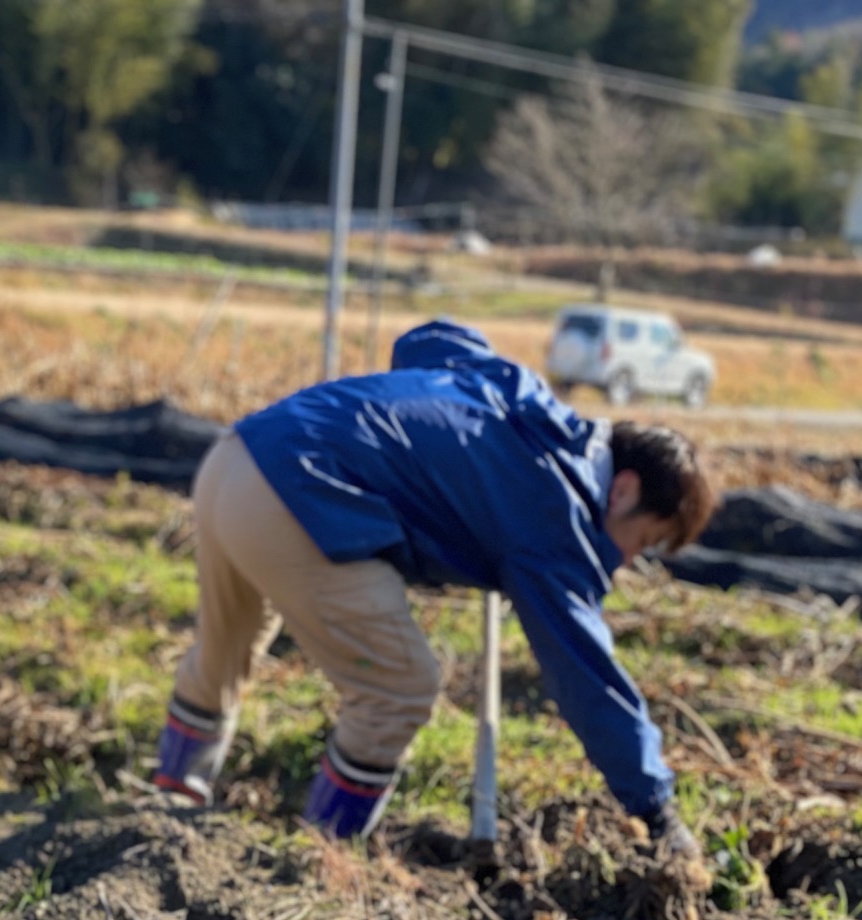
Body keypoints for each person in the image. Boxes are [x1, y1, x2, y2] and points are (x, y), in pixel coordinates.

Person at [153, 319, 714, 862]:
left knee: (227, 645)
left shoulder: (523, 402)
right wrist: (656, 808)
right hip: (300, 490)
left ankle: (165, 809)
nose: (625, 561)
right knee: (400, 688)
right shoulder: (556, 517)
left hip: (236, 456)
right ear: (624, 489)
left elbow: (430, 340)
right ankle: (319, 860)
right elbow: (587, 680)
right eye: (644, 541)